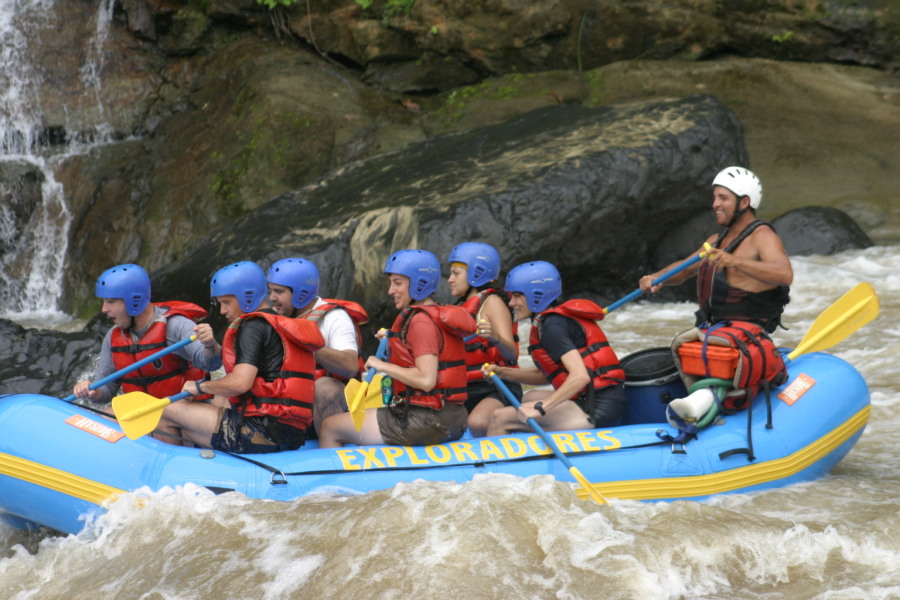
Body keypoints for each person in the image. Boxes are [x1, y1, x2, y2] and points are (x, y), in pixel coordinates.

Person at [156, 261, 325, 453]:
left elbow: (240, 383)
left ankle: (169, 478)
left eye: (227, 302)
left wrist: (198, 387)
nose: (222, 311)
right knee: (195, 416)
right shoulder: (279, 323)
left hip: (259, 432)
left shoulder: (252, 326)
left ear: (247, 296)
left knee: (166, 411)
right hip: (290, 433)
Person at [318, 249, 475, 448]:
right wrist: (394, 338)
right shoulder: (431, 314)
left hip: (428, 421)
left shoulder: (420, 322)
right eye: (391, 283)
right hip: (452, 418)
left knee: (330, 427)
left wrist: (382, 366)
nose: (391, 291)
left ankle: (333, 477)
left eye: (398, 283)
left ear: (420, 283)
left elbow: (426, 381)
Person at [638, 166, 793, 333]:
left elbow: (784, 275)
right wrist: (656, 277)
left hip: (747, 335)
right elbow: (685, 269)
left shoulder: (762, 236)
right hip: (714, 330)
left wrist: (735, 261)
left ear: (744, 202)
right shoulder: (716, 240)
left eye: (723, 198)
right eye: (715, 198)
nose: (715, 204)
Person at [485, 261, 627, 436]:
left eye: (516, 296)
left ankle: (494, 462)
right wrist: (503, 373)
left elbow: (580, 376)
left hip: (595, 407)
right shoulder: (551, 320)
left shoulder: (553, 326)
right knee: (528, 398)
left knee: (500, 417)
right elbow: (544, 375)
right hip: (596, 398)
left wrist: (542, 408)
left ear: (536, 295)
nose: (512, 303)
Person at [72, 263, 221, 404]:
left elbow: (212, 363)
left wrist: (210, 345)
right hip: (142, 414)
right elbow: (106, 390)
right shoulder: (112, 337)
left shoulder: (176, 326)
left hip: (180, 411)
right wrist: (92, 392)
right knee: (105, 419)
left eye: (111, 301)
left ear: (134, 301)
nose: (104, 309)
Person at [266, 257, 367, 435]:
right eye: (270, 291)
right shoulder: (276, 316)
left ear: (301, 293)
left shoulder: (335, 317)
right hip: (290, 402)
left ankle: (330, 448)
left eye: (278, 292)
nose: (272, 298)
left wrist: (307, 345)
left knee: (325, 387)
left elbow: (350, 366)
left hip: (332, 404)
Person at [446, 242, 522, 437]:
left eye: (456, 274)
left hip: (496, 385)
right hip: (466, 387)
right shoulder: (458, 308)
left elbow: (510, 352)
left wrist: (495, 337)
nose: (450, 280)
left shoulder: (492, 302)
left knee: (478, 421)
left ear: (476, 273)